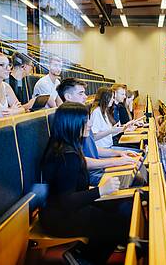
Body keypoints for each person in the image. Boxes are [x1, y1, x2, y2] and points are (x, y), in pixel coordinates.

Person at [39, 102, 131, 264]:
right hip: (59, 218)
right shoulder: (67, 155)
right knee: (118, 226)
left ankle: (82, 253)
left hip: (62, 210)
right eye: (86, 120)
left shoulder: (66, 146)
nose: (90, 124)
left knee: (118, 210)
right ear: (72, 123)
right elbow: (66, 201)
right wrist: (101, 190)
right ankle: (84, 259)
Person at [57, 78, 138, 186]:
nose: (86, 97)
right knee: (135, 180)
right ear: (68, 97)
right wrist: (115, 161)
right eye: (81, 93)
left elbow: (92, 149)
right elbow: (78, 160)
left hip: (96, 167)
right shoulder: (67, 121)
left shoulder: (82, 117)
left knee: (136, 172)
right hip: (89, 173)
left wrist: (118, 153)